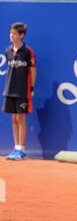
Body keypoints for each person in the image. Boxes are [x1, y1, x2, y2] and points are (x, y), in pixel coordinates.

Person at [2, 22, 37, 160]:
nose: (11, 35)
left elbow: (33, 72)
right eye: (11, 33)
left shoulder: (28, 52)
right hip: (9, 90)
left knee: (21, 118)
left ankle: (21, 149)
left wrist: (31, 88)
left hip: (23, 91)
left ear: (21, 35)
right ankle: (16, 148)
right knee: (13, 119)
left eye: (14, 34)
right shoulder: (8, 51)